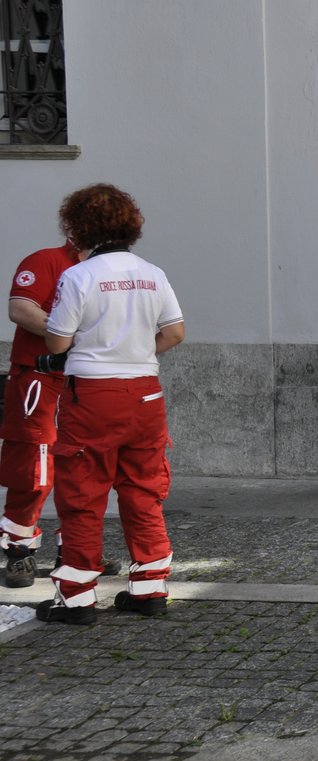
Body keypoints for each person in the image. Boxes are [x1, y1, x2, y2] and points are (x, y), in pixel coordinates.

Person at [34, 184, 185, 624]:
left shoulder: (78, 276)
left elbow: (58, 340)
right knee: (143, 489)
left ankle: (78, 599)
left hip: (93, 395)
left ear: (79, 227)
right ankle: (150, 589)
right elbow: (175, 333)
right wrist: (135, 352)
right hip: (145, 393)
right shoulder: (152, 272)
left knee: (83, 491)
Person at [2, 233, 91, 588]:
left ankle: (75, 551)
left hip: (85, 379)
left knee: (85, 465)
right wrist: (66, 336)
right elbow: (20, 308)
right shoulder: (46, 260)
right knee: (34, 466)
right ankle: (18, 551)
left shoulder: (106, 268)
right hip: (39, 376)